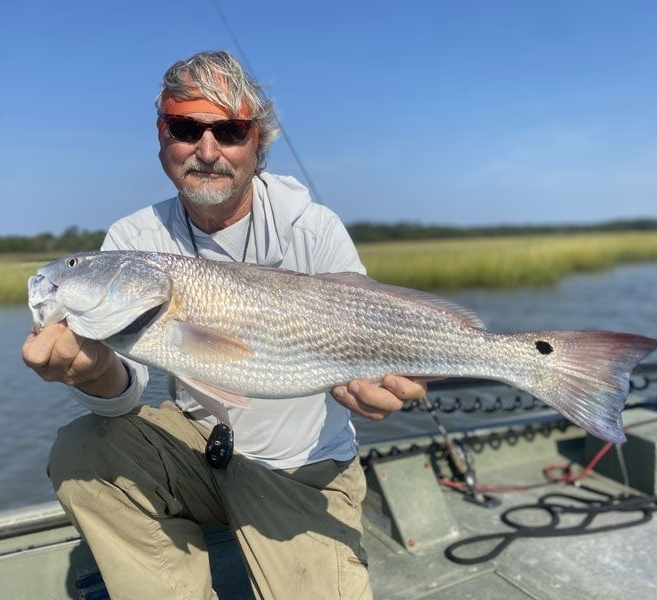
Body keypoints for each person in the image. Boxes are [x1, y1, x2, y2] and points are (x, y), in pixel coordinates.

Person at [22, 50, 425, 599]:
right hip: (196, 450)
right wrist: (92, 372)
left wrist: (379, 393)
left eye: (231, 132)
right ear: (162, 135)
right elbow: (126, 397)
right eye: (186, 129)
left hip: (300, 466)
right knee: (82, 449)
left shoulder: (312, 227)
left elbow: (370, 336)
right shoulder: (133, 239)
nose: (207, 151)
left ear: (258, 143)